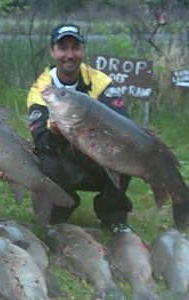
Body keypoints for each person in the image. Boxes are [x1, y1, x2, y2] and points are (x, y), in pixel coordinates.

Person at [27, 24, 133, 233]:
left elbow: (122, 125)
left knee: (125, 151)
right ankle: (59, 211)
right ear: (53, 52)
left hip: (97, 153)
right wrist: (55, 132)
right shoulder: (41, 88)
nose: (69, 55)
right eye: (63, 48)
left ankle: (114, 216)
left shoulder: (100, 81)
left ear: (83, 51)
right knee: (44, 160)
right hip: (62, 155)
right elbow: (40, 139)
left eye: (75, 48)